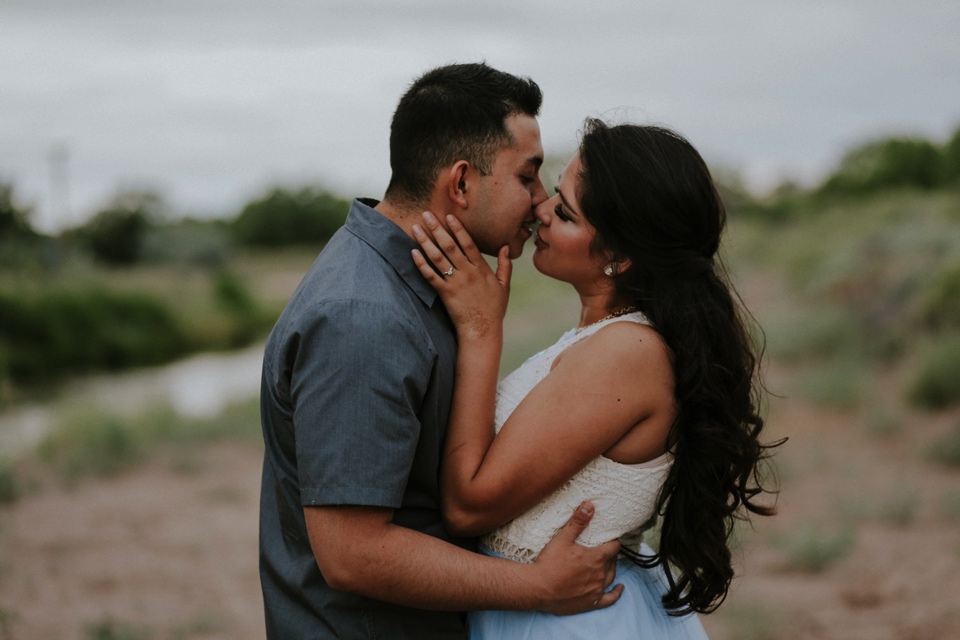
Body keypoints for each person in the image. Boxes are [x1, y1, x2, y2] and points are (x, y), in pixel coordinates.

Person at [258, 64, 623, 639]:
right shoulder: (365, 316)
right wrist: (540, 588)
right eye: (528, 177)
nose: (538, 202)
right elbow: (352, 552)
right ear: (461, 183)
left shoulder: (424, 286)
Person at [411, 118, 781, 638]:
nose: (540, 210)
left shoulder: (626, 352)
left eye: (563, 212)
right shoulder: (604, 338)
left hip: (565, 624)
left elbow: (469, 506)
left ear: (619, 256)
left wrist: (480, 330)